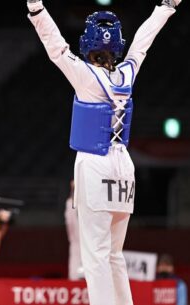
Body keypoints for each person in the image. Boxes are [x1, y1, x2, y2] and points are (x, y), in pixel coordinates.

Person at [26, 0, 181, 304]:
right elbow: (142, 44)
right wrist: (165, 7)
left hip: (95, 162)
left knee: (94, 254)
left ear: (87, 44)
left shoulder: (85, 77)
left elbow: (56, 48)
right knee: (114, 254)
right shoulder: (127, 74)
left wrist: (37, 11)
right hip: (124, 165)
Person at [64, 179, 83, 280]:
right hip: (76, 239)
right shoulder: (69, 203)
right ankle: (74, 280)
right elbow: (69, 223)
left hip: (87, 239)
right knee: (74, 264)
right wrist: (72, 238)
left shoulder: (87, 202)